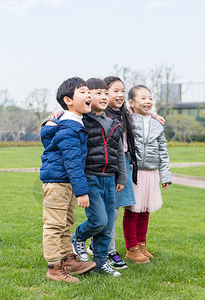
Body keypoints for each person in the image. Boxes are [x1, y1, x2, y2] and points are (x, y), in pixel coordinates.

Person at [87, 76, 166, 269]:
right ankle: (105, 249)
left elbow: (140, 111)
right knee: (112, 212)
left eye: (122, 90)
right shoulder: (99, 113)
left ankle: (111, 248)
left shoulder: (123, 113)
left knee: (118, 210)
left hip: (123, 164)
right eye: (114, 91)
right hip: (106, 166)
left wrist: (154, 115)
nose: (119, 94)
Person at [40, 77, 96, 283]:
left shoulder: (73, 121)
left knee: (66, 223)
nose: (89, 95)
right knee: (54, 225)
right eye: (83, 92)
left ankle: (67, 259)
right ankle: (54, 269)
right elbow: (72, 161)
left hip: (66, 182)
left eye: (89, 91)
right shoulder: (69, 128)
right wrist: (82, 191)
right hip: (58, 182)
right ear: (68, 100)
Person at [72, 77, 127, 277]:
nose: (103, 97)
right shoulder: (81, 120)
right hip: (90, 177)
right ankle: (78, 237)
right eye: (97, 93)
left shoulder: (114, 122)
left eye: (105, 93)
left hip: (110, 179)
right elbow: (63, 118)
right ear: (87, 97)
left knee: (108, 226)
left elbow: (119, 152)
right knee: (99, 221)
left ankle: (100, 262)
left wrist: (121, 177)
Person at [123, 85, 171, 264]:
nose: (148, 101)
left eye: (150, 98)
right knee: (133, 211)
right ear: (132, 102)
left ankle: (142, 244)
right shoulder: (127, 119)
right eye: (142, 98)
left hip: (151, 173)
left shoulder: (157, 125)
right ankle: (132, 248)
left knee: (145, 210)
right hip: (134, 172)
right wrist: (151, 114)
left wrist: (165, 176)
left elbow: (163, 152)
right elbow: (122, 110)